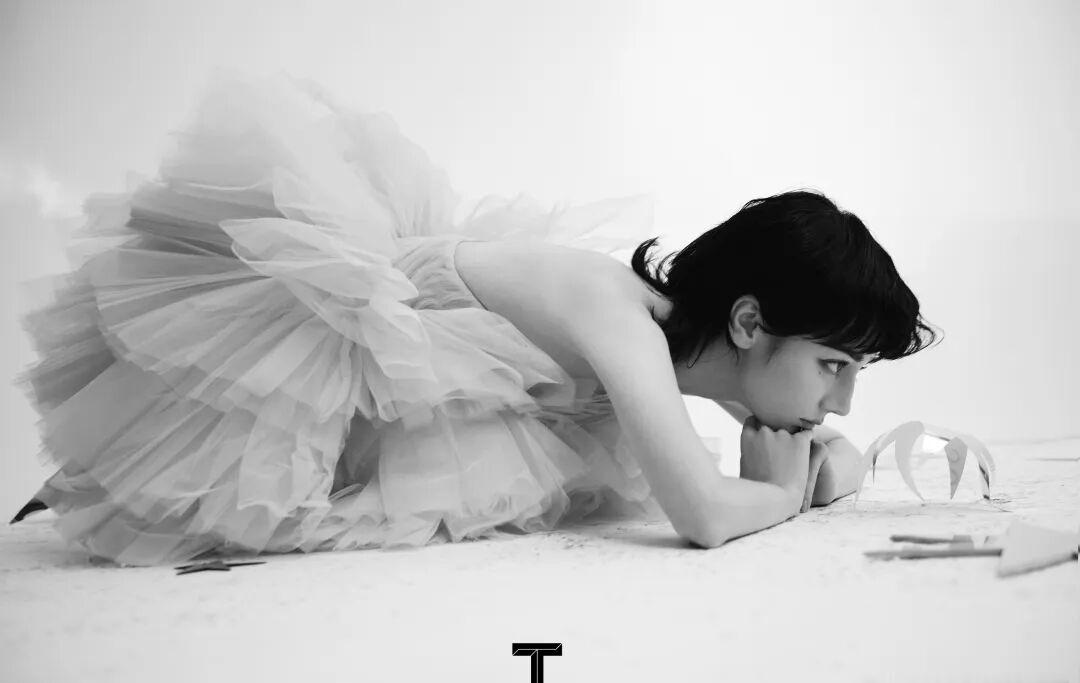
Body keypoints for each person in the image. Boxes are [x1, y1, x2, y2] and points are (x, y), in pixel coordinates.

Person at [10, 68, 938, 566]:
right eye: (834, 366)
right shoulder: (623, 321)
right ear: (747, 322)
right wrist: (780, 493)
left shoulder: (704, 348)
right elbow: (700, 515)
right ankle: (82, 480)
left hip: (412, 383)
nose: (842, 402)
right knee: (211, 481)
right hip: (348, 339)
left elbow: (835, 459)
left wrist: (810, 463)